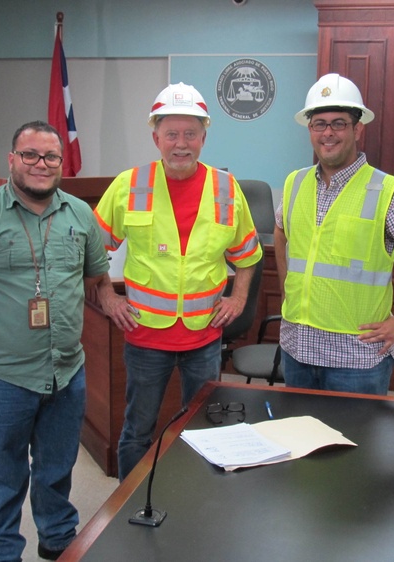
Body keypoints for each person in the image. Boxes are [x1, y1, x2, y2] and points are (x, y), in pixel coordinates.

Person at [0, 121, 113, 562]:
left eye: (50, 157)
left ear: (61, 164)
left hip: (66, 368)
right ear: (11, 160)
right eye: (29, 155)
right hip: (4, 374)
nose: (40, 164)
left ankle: (56, 537)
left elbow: (94, 277)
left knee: (56, 466)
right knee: (4, 471)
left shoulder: (80, 215)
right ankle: (3, 550)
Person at [94, 82, 263, 481]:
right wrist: (107, 294)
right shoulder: (129, 185)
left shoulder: (226, 188)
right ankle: (128, 503)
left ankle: (196, 497)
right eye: (171, 134)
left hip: (204, 336)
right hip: (145, 337)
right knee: (137, 430)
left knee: (205, 427)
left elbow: (248, 254)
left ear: (204, 137)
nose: (181, 144)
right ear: (156, 137)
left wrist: (238, 299)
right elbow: (90, 250)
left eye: (190, 134)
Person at [274, 73, 394, 396]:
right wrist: (287, 289)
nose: (328, 133)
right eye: (319, 123)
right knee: (301, 441)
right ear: (309, 130)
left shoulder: (388, 191)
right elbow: (281, 232)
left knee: (357, 446)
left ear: (358, 129)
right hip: (298, 348)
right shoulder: (294, 183)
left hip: (355, 359)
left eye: (338, 123)